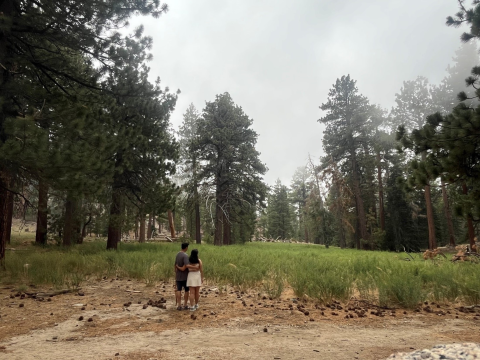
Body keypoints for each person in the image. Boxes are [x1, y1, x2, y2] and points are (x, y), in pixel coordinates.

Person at [174, 243, 190, 310]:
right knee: (186, 290)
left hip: (178, 276)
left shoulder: (177, 254)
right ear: (186, 248)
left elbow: (175, 265)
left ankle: (179, 305)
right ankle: (185, 304)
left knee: (178, 290)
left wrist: (176, 270)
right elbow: (185, 267)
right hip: (185, 276)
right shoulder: (185, 256)